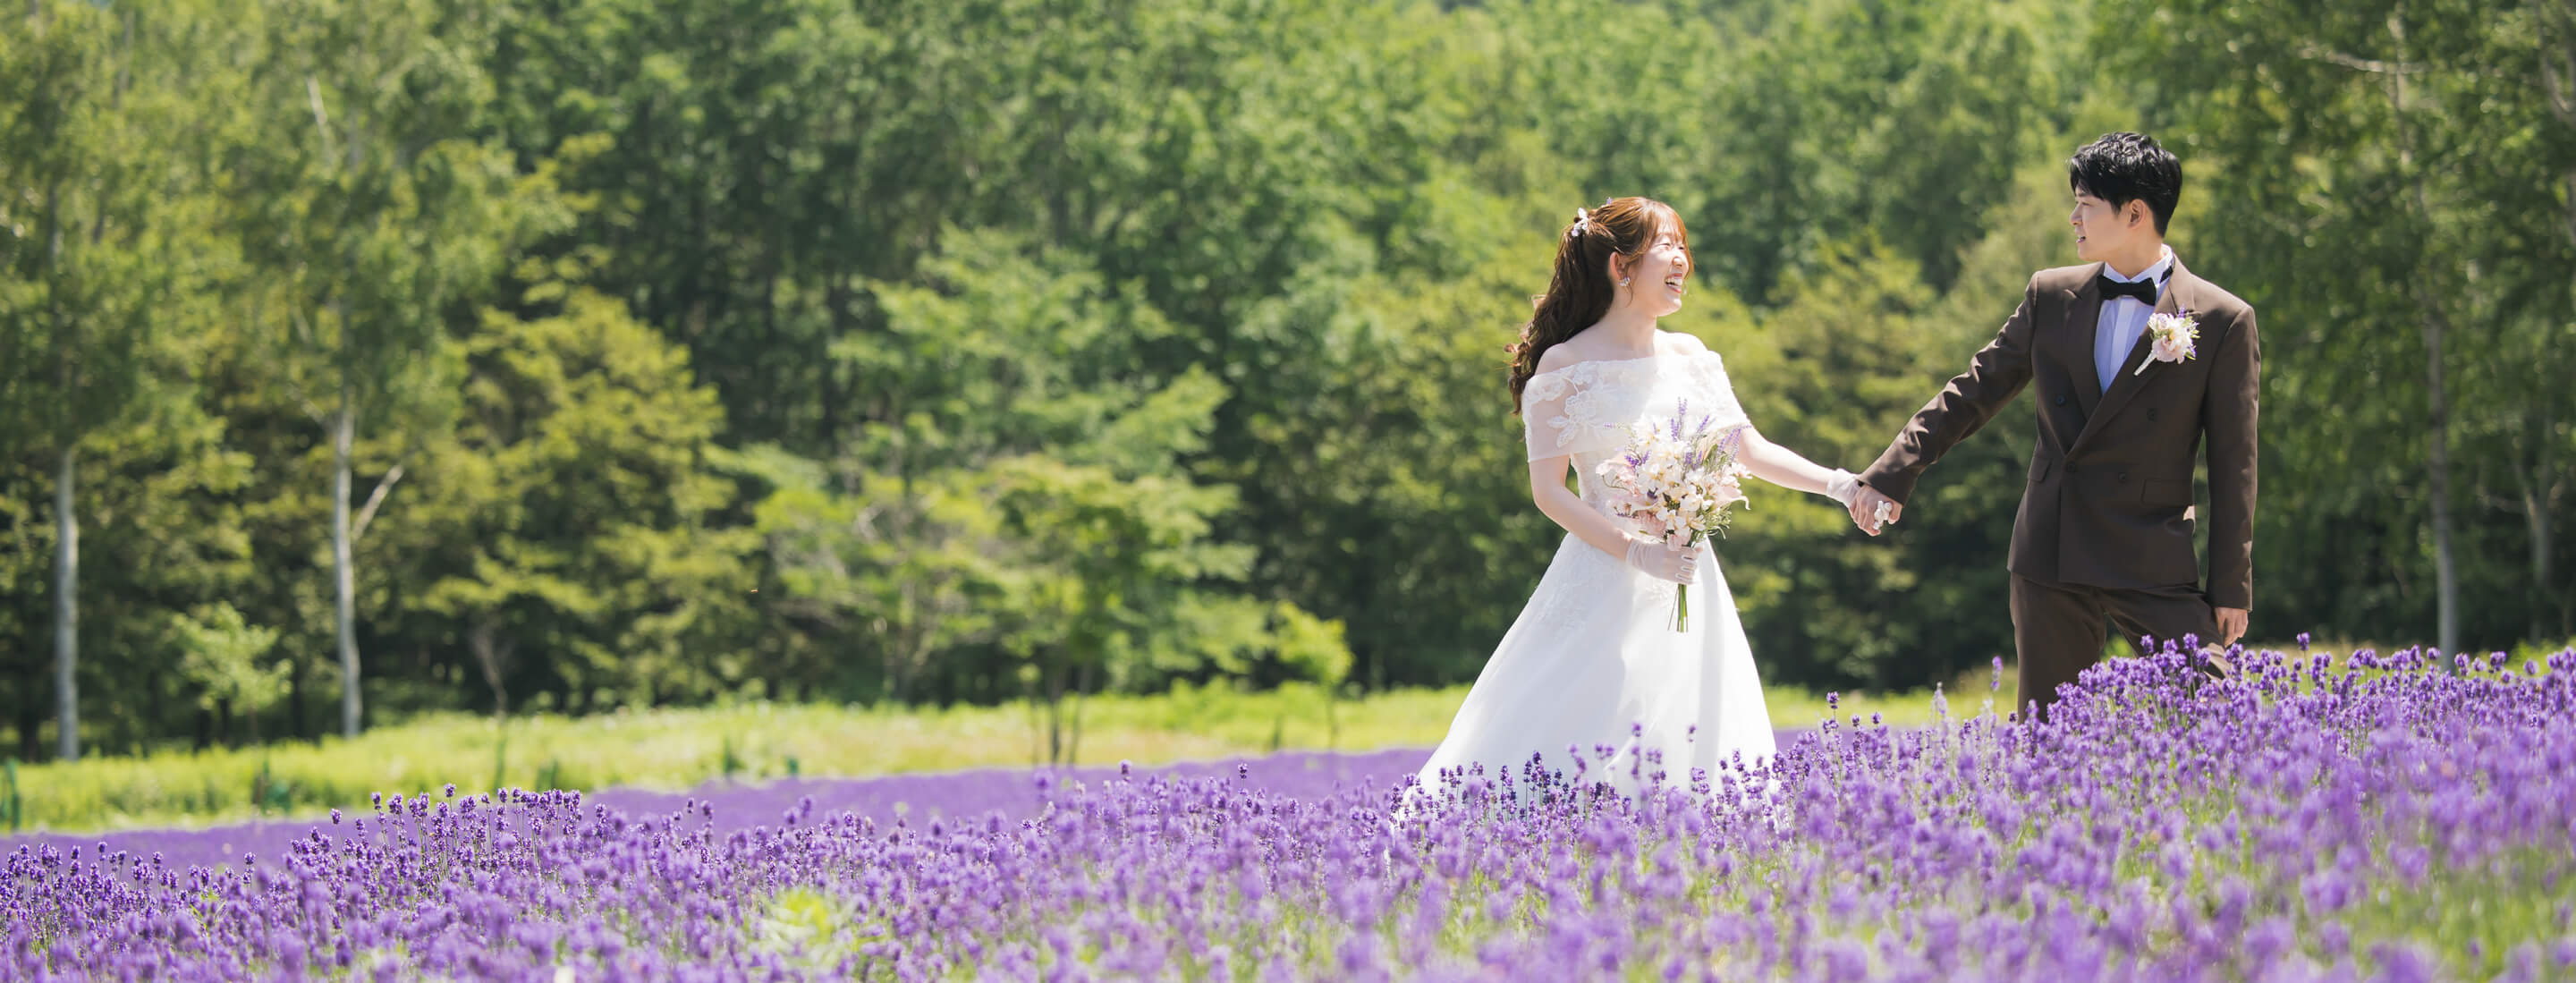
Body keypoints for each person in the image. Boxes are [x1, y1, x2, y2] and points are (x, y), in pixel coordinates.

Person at [1406, 197, 1861, 809]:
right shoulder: (1564, 366)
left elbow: (1749, 449)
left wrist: (1842, 484)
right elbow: (1548, 493)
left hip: (1690, 581)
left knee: (1695, 734)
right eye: (1665, 247)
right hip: (1603, 578)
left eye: (1682, 246)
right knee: (1580, 732)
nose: (1681, 261)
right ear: (1622, 267)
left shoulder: (1692, 357)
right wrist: (1635, 551)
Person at [1845, 131, 2258, 719]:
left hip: (2153, 559)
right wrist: (1893, 470)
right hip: (2053, 552)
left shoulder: (2222, 319)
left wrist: (2230, 587)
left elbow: (2235, 464)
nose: (2073, 218)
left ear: (2136, 213)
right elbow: (1974, 390)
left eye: (2086, 204)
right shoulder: (2050, 295)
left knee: (2219, 713)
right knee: (2046, 741)